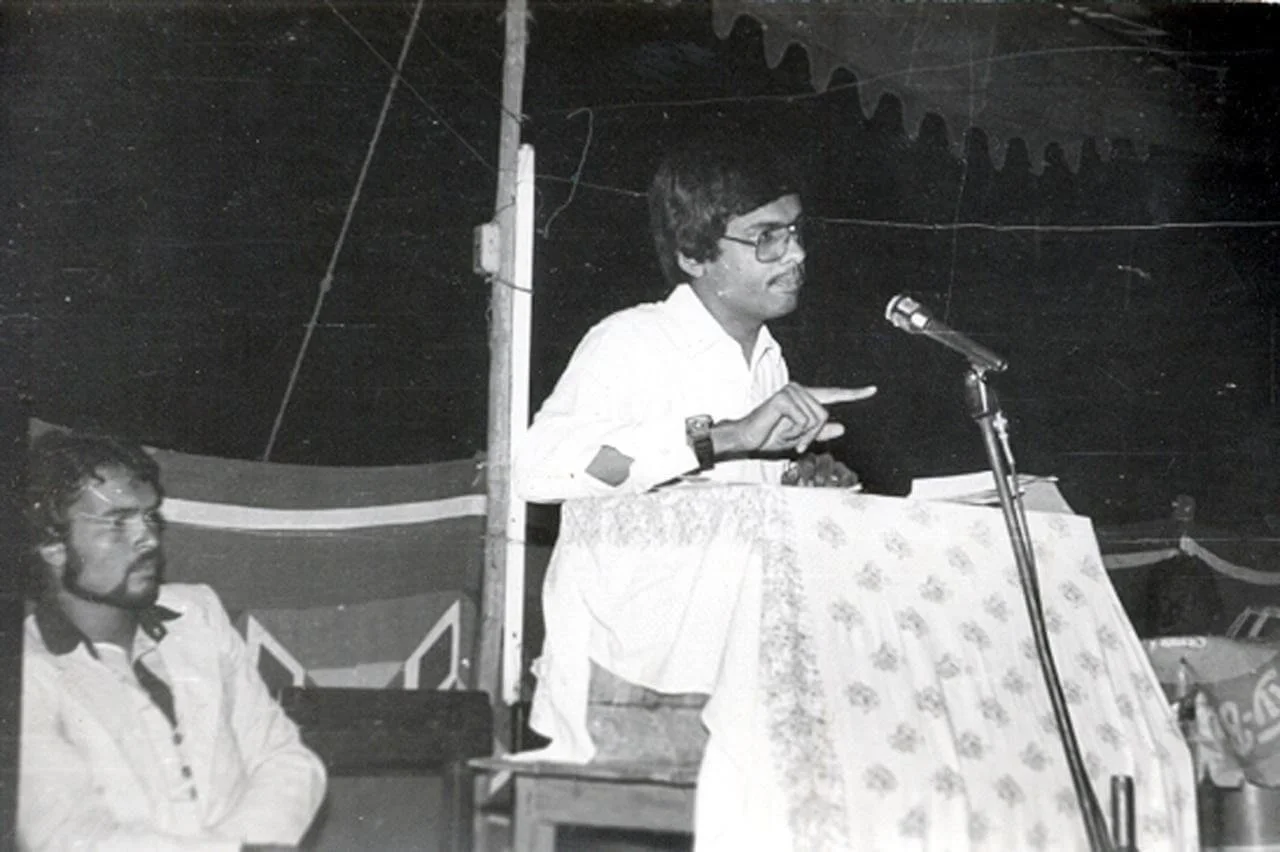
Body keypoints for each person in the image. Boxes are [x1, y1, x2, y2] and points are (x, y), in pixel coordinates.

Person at [514, 126, 875, 503]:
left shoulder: (771, 361)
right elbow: (537, 472)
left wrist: (797, 487)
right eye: (766, 237)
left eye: (795, 230)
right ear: (692, 256)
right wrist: (724, 437)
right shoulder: (632, 341)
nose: (797, 253)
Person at [19, 431, 326, 851]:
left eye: (149, 517)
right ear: (52, 546)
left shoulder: (197, 613)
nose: (147, 537)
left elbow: (286, 759)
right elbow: (69, 837)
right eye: (118, 522)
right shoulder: (26, 673)